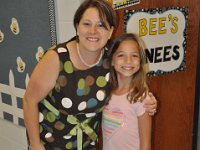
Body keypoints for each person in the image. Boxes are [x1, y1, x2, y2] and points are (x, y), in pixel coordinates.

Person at [23, 0, 157, 150]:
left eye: (100, 25)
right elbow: (30, 100)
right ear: (77, 27)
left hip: (87, 145)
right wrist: (35, 144)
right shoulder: (56, 58)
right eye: (87, 24)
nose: (93, 31)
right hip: (50, 144)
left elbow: (130, 76)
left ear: (110, 31)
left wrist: (147, 98)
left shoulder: (111, 57)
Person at [102, 33, 152, 150]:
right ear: (112, 61)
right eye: (121, 55)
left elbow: (146, 144)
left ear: (140, 61)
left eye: (134, 55)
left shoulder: (142, 97)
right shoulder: (106, 92)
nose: (128, 60)